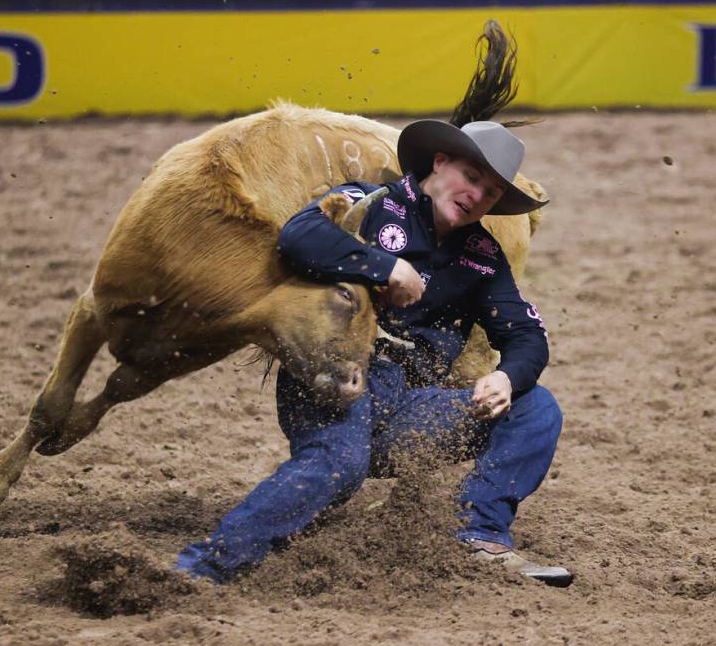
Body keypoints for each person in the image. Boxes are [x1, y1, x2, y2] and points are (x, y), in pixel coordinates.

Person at [176, 119, 572, 587]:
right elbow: (299, 235)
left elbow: (527, 334)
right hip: (338, 379)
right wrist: (384, 267)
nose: (475, 195)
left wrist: (506, 378)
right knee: (340, 463)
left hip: (409, 411)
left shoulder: (482, 255)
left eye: (488, 193)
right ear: (440, 162)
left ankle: (479, 534)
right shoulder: (374, 203)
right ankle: (202, 569)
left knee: (535, 408)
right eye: (471, 177)